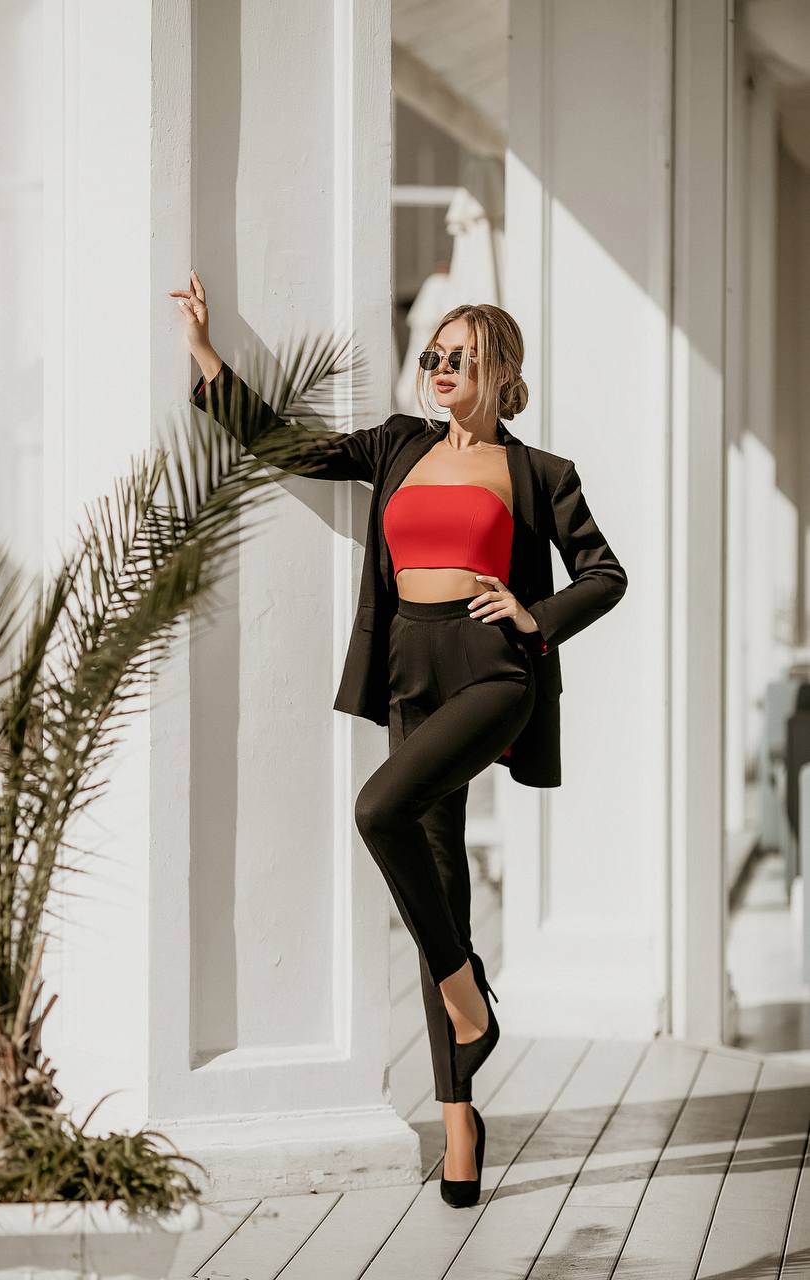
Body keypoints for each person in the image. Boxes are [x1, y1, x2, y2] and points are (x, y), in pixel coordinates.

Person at [171, 270, 628, 1207]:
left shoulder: (540, 473)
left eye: (457, 357)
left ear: (498, 369)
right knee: (438, 868)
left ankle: (465, 999)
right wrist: (206, 357)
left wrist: (532, 614)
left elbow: (604, 573)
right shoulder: (396, 444)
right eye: (431, 357)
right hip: (406, 667)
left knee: (378, 811)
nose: (438, 370)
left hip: (491, 668)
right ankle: (459, 1123)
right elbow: (290, 449)